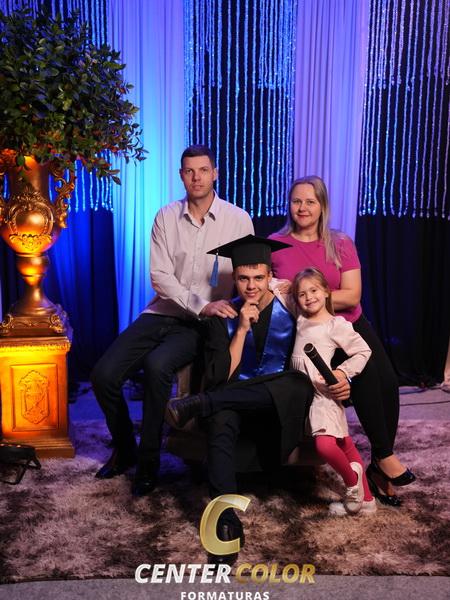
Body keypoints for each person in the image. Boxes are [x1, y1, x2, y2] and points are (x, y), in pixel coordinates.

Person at [166, 235, 351, 563]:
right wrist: (240, 330)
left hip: (278, 415)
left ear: (270, 277)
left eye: (258, 278)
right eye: (243, 278)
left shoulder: (292, 309)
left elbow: (328, 339)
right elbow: (219, 379)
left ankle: (199, 403)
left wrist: (344, 376)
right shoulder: (222, 317)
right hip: (236, 410)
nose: (251, 286)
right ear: (235, 279)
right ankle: (224, 519)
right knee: (221, 412)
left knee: (297, 381)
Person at [90, 144, 254, 496]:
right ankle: (126, 448)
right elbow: (160, 276)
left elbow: (248, 271)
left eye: (203, 170)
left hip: (202, 323)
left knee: (157, 366)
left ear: (215, 174)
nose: (197, 177)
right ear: (181, 175)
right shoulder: (166, 216)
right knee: (103, 375)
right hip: (163, 310)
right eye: (189, 171)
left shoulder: (238, 219)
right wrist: (199, 304)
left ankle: (148, 463)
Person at [269, 175, 416, 506]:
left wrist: (307, 295)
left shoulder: (340, 243)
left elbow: (352, 296)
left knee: (387, 381)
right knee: (363, 377)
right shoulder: (275, 244)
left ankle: (379, 464)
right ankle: (384, 458)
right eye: (296, 201)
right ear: (289, 205)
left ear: (322, 206)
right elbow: (268, 290)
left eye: (310, 201)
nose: (302, 207)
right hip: (314, 330)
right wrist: (302, 299)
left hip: (350, 323)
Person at [290, 267, 376, 516]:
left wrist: (342, 372)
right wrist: (280, 284)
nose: (309, 297)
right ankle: (367, 500)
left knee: (325, 447)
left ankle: (352, 484)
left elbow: (363, 351)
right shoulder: (300, 318)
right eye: (302, 294)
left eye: (314, 290)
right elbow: (279, 289)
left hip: (322, 394)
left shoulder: (335, 325)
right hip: (303, 394)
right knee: (345, 444)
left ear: (327, 291)